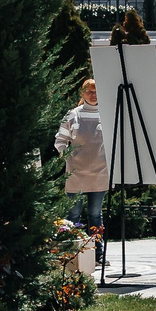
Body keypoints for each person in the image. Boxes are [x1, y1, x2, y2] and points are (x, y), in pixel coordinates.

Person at [53, 76, 109, 227]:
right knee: (73, 214)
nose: (93, 95)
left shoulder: (108, 115)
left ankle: (97, 250)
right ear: (82, 94)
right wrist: (68, 158)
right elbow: (60, 141)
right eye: (89, 91)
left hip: (100, 173)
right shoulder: (73, 115)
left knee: (95, 214)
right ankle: (71, 249)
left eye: (96, 91)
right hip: (76, 174)